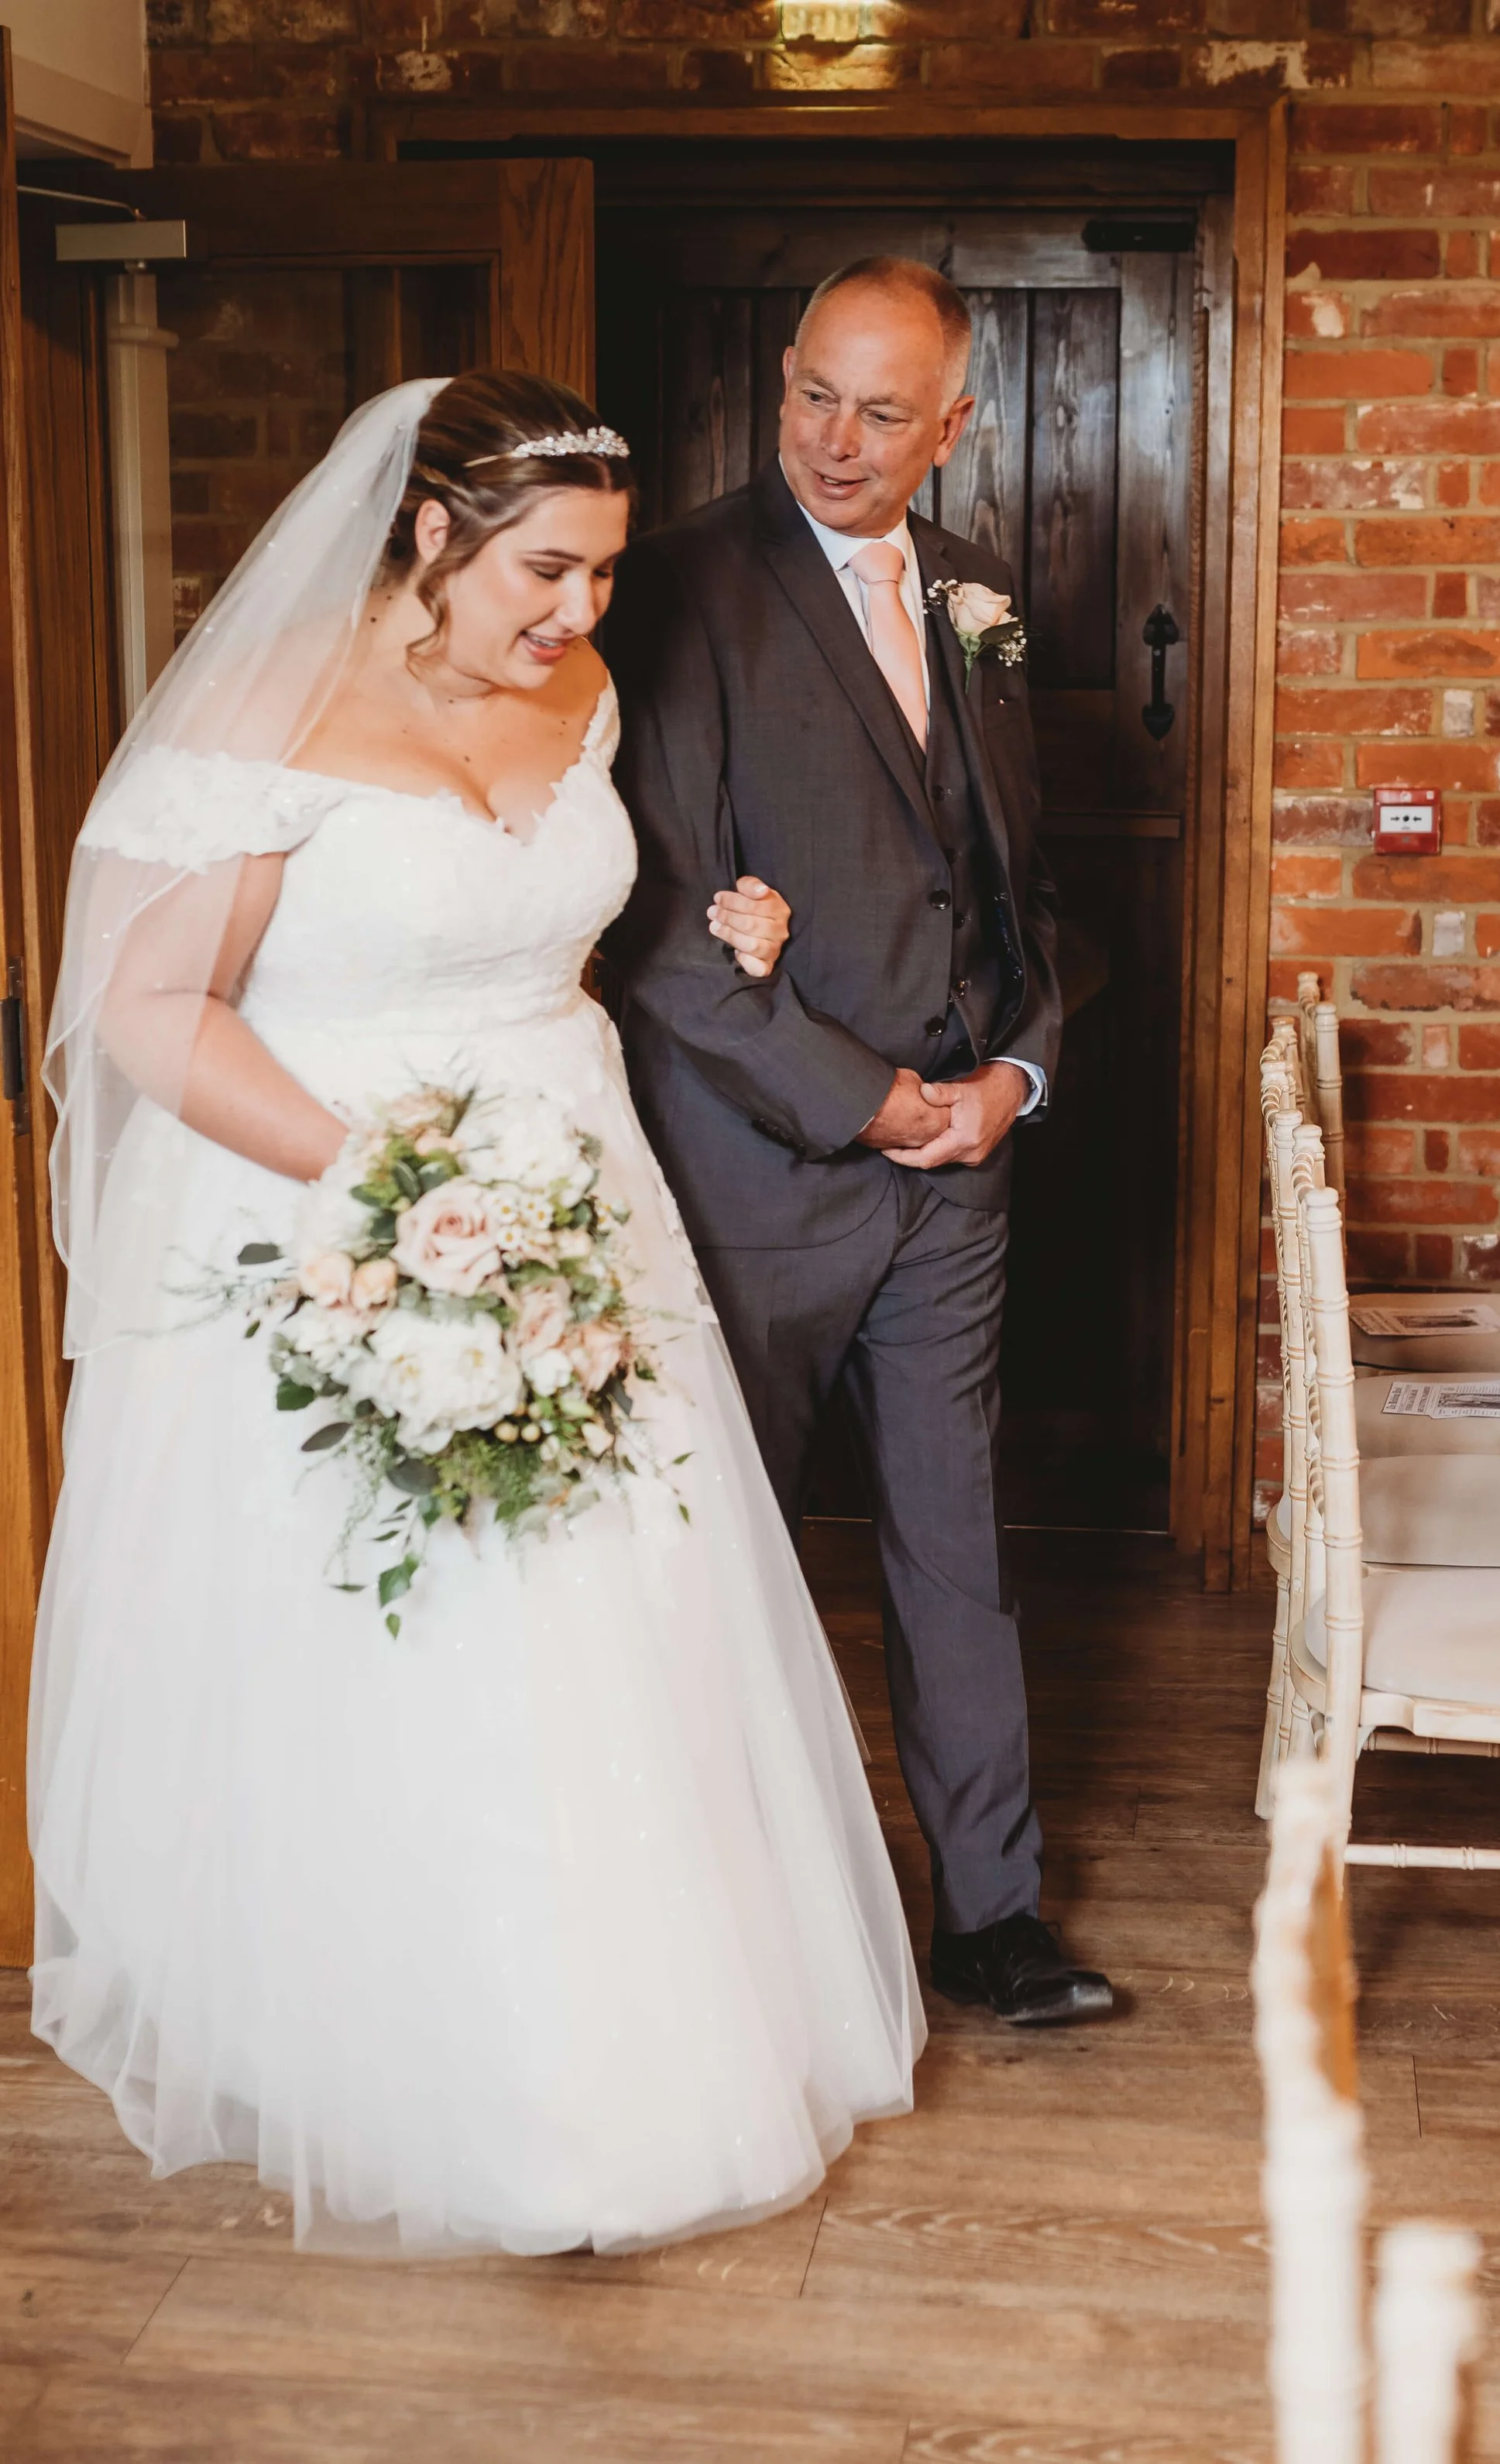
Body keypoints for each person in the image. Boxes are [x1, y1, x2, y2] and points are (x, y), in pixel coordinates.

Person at [29, 370, 925, 2253]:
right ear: (429, 533)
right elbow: (150, 1010)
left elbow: (573, 932)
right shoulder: (267, 719)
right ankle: (441, 2077)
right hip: (340, 1218)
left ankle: (629, 2057)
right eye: (544, 570)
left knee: (615, 1612)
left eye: (600, 574)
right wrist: (393, 1194)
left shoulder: (581, 696)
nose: (579, 613)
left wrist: (737, 929)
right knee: (417, 1625)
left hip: (581, 1199)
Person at [606, 258, 1114, 2026]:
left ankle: (991, 1914)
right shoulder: (676, 588)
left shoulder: (981, 595)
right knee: (720, 1561)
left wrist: (1012, 1080)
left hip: (958, 1174)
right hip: (756, 1173)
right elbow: (660, 923)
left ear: (952, 425)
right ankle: (720, 1934)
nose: (834, 437)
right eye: (812, 393)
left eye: (881, 412)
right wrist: (861, 1098)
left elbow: (1023, 886)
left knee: (956, 1545)